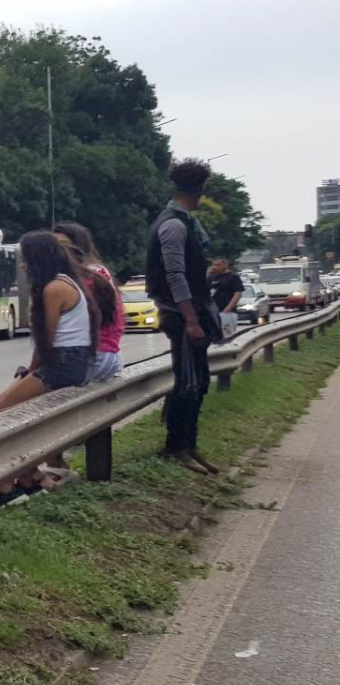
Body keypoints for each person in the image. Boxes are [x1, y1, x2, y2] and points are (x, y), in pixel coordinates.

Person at [0, 230, 94, 503]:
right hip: (71, 362)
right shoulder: (68, 282)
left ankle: (10, 488)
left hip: (61, 364)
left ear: (40, 259)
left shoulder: (54, 288)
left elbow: (45, 341)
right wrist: (27, 375)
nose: (23, 266)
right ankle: (29, 478)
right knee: (8, 408)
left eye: (26, 259)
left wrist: (31, 372)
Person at [146, 159, 217, 475]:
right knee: (188, 382)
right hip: (180, 315)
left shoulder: (182, 221)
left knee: (198, 381)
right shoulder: (174, 224)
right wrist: (191, 320)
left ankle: (189, 444)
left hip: (189, 312)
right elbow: (175, 275)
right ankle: (177, 446)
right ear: (201, 190)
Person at [53, 221, 124, 381]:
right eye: (54, 245)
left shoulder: (88, 276)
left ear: (78, 247)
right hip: (102, 356)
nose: (58, 250)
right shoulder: (94, 272)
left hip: (93, 357)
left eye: (64, 244)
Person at [208, 257, 244, 341]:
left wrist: (227, 309)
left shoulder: (233, 277)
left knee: (227, 336)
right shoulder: (212, 277)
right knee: (213, 337)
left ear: (225, 265)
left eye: (218, 265)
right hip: (212, 312)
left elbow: (238, 294)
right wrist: (208, 275)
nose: (216, 267)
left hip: (227, 312)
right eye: (214, 265)